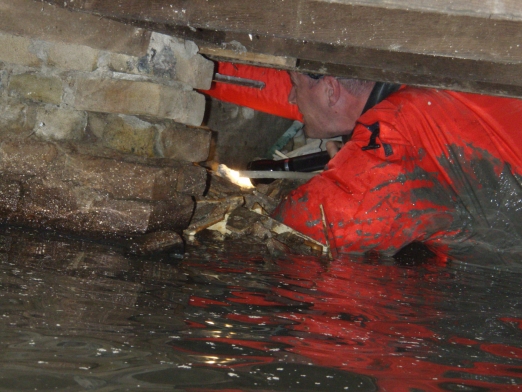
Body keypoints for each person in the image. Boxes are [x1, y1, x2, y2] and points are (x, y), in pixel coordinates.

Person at [272, 71, 522, 265]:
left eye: (295, 85)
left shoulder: (392, 134)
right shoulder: (425, 89)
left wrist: (347, 166)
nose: (291, 97)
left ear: (331, 90)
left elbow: (304, 226)